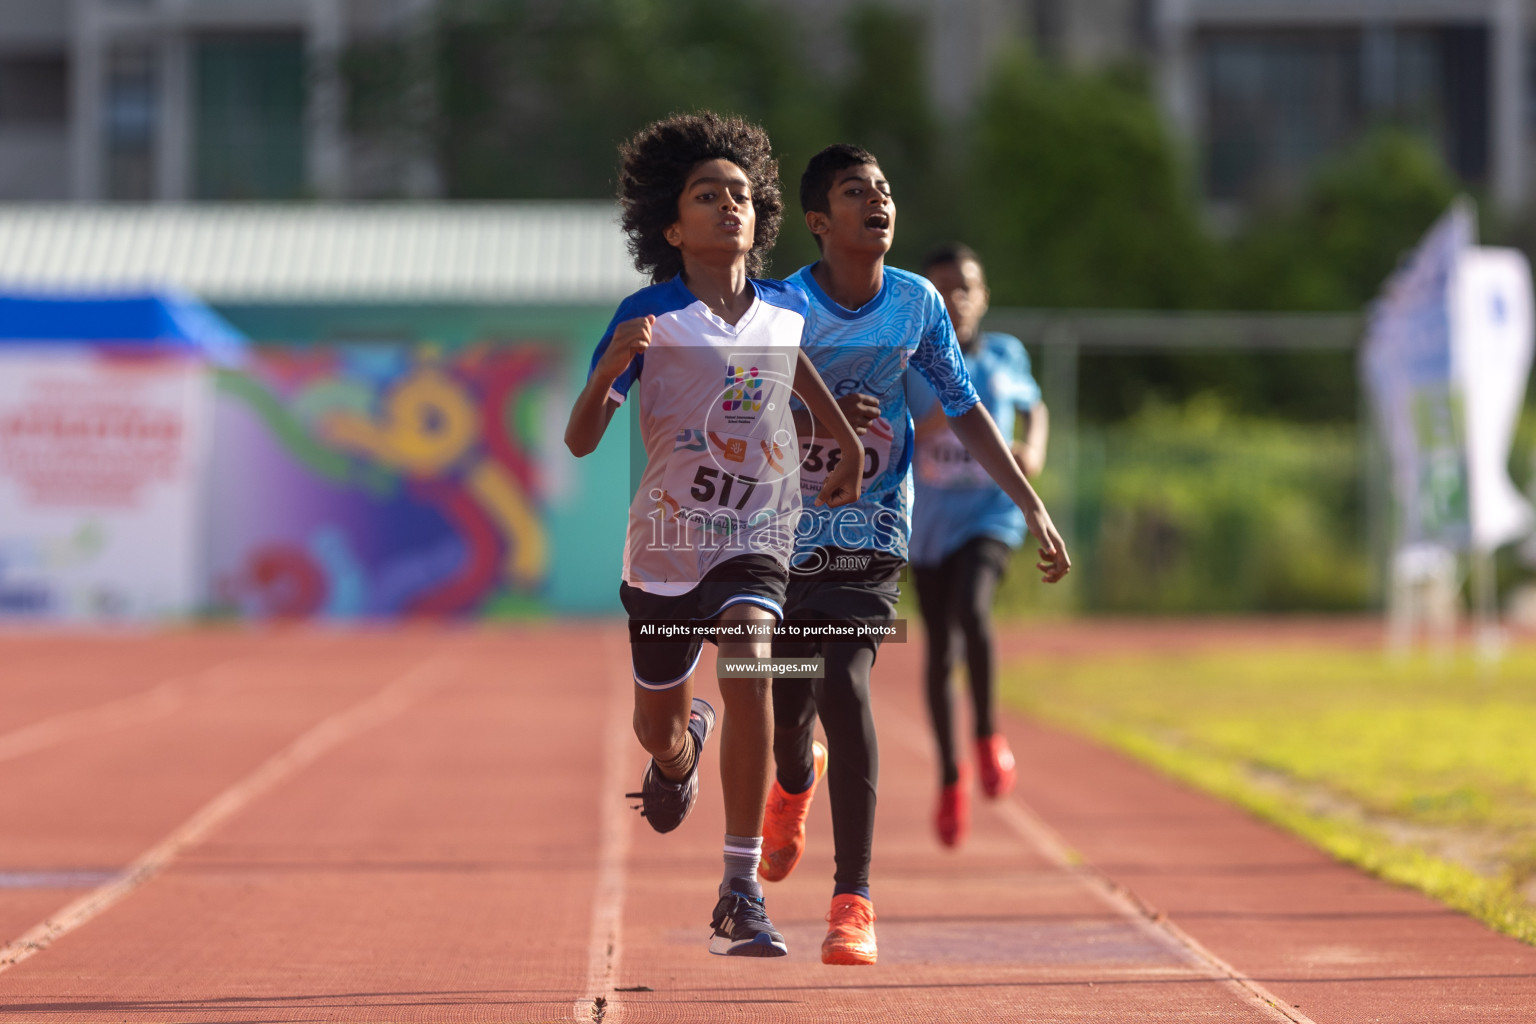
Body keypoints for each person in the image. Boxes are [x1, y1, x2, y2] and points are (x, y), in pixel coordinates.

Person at [761, 145, 1070, 965]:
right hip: (784, 538)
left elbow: (965, 411)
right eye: (857, 192)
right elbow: (736, 415)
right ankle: (794, 777)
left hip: (871, 535)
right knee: (789, 701)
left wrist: (1030, 503)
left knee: (844, 679)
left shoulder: (917, 303)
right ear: (821, 222)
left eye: (886, 189)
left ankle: (853, 899)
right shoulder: (780, 306)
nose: (879, 201)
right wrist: (816, 422)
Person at [564, 113, 864, 958]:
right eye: (707, 195)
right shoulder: (647, 315)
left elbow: (797, 368)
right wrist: (613, 361)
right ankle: (675, 755)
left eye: (740, 193)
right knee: (653, 727)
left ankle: (738, 887)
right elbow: (582, 438)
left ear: (759, 214)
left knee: (752, 655)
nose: (728, 205)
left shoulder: (782, 309)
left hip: (757, 533)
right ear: (671, 225)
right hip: (664, 547)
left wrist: (837, 440)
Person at [908, 242, 1049, 847]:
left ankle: (988, 735)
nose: (956, 299)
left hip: (992, 514)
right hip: (928, 524)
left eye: (966, 287)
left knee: (975, 606)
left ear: (983, 296)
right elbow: (893, 431)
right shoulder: (908, 361)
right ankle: (948, 777)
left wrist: (1033, 449)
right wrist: (943, 412)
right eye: (942, 289)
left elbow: (1034, 405)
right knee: (940, 651)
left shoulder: (1005, 354)